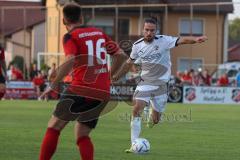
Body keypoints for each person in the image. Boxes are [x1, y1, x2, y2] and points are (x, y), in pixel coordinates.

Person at [38, 2, 127, 160]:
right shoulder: (98, 32)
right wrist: (108, 76)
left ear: (64, 21)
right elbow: (121, 55)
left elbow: (71, 59)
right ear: (81, 17)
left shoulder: (70, 36)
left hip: (81, 89)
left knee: (54, 127)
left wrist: (53, 84)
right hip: (102, 93)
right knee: (82, 134)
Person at [112, 18, 208, 152]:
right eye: (147, 30)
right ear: (143, 30)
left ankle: (151, 113)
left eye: (152, 30)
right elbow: (129, 63)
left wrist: (196, 40)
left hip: (162, 85)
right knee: (136, 108)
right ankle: (134, 144)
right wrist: (117, 75)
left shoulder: (164, 41)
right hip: (145, 82)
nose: (149, 32)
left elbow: (182, 40)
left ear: (156, 31)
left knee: (155, 120)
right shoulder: (137, 45)